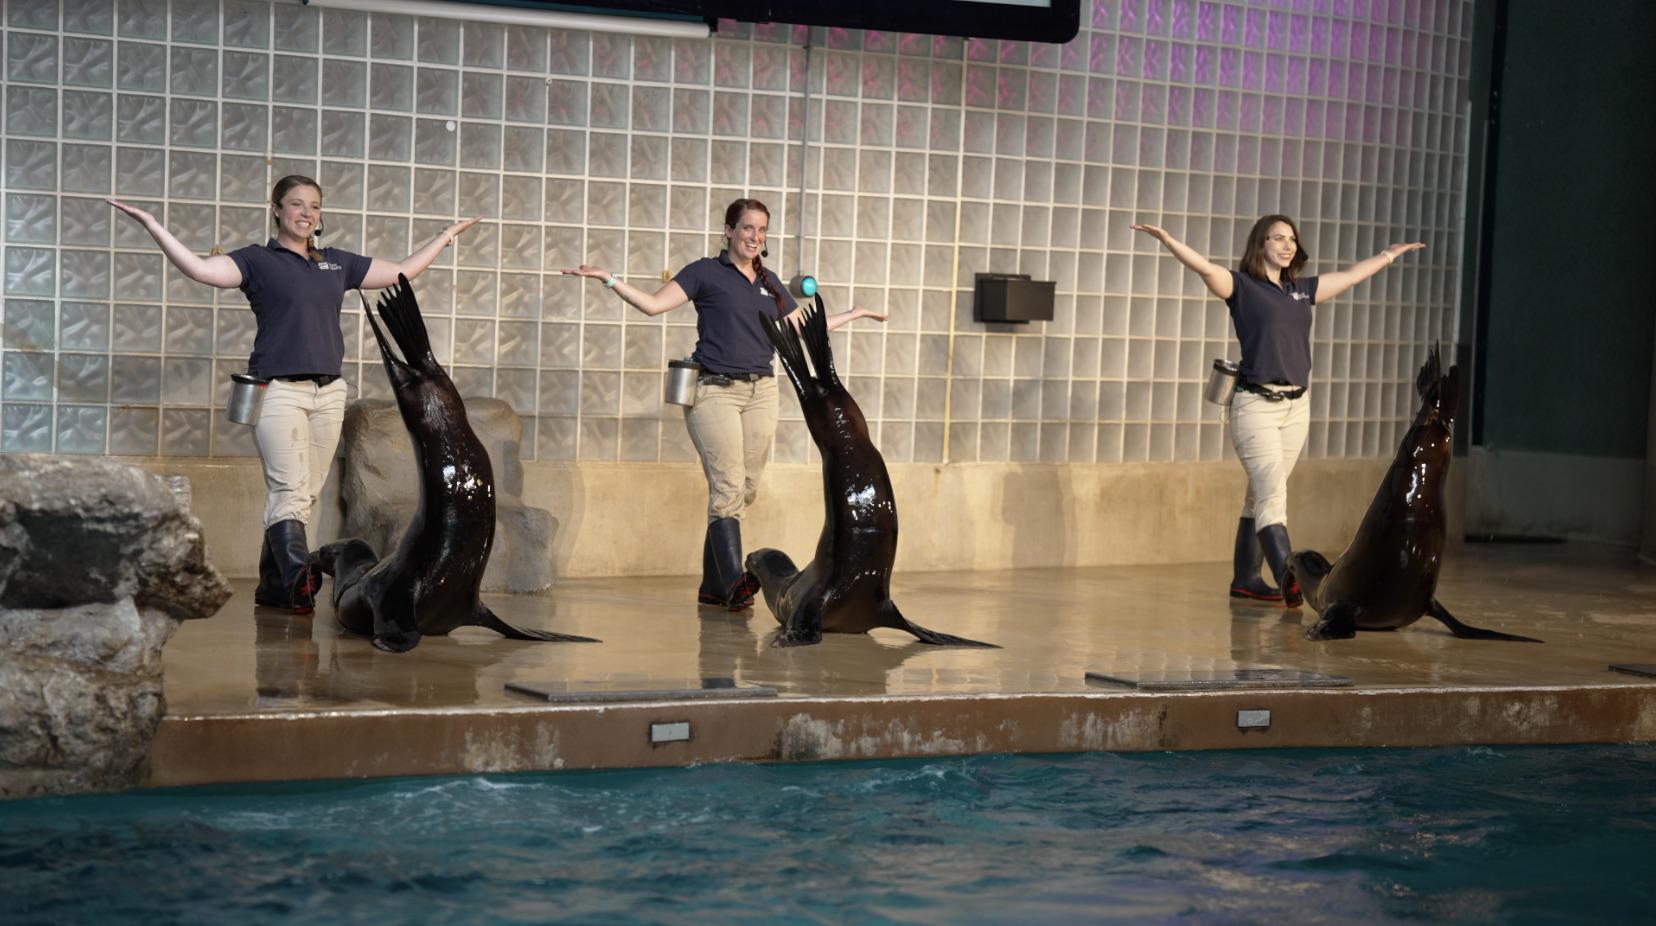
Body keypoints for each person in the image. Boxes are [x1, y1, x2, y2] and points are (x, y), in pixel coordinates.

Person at [109, 177, 478, 614]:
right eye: (297, 204)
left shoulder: (336, 263)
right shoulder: (256, 260)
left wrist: (445, 236)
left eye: (314, 206)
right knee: (288, 488)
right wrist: (153, 225)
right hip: (278, 390)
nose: (306, 213)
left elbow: (401, 271)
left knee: (304, 495)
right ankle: (300, 579)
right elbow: (201, 269)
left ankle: (272, 586)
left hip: (329, 393)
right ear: (277, 209)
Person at [566, 197, 886, 610]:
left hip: (761, 393)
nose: (756, 236)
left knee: (744, 490)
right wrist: (610, 279)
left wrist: (853, 313)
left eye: (762, 230)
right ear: (730, 230)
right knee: (728, 489)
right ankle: (735, 583)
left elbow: (805, 331)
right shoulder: (704, 272)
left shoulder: (769, 282)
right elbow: (652, 305)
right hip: (713, 391)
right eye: (748, 228)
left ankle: (713, 587)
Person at [1132, 215, 1424, 606]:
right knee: (1273, 494)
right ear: (1261, 244)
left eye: (1291, 239)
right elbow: (1203, 267)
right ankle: (1293, 576)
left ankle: (1246, 578)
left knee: (1261, 494)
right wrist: (1169, 240)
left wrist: (1387, 255)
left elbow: (1352, 276)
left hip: (1296, 408)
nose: (1287, 245)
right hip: (1256, 406)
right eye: (1277, 238)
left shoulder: (1301, 290)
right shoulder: (1242, 287)